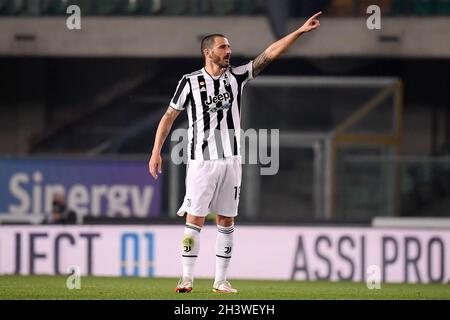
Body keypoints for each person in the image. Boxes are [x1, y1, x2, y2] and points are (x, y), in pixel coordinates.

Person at [148, 12, 322, 293]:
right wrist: (156, 151)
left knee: (227, 221)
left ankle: (220, 281)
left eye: (229, 47)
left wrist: (299, 31)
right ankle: (187, 277)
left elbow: (269, 54)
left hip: (232, 161)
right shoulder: (189, 82)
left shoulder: (237, 76)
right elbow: (168, 117)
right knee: (195, 219)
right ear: (208, 52)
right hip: (202, 162)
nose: (228, 52)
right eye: (223, 47)